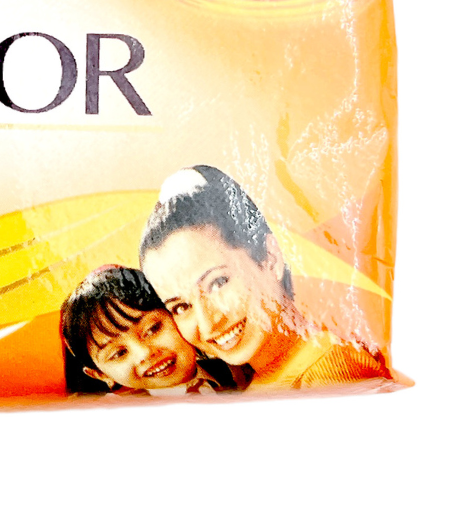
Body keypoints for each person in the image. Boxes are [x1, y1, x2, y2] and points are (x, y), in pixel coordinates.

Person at [138, 165, 386, 390]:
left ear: (270, 258)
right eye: (181, 306)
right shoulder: (258, 380)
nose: (207, 324)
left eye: (218, 282)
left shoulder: (328, 370)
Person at [60, 264, 241, 395]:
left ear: (175, 313)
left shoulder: (237, 367)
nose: (145, 353)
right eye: (119, 353)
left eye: (153, 329)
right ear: (100, 374)